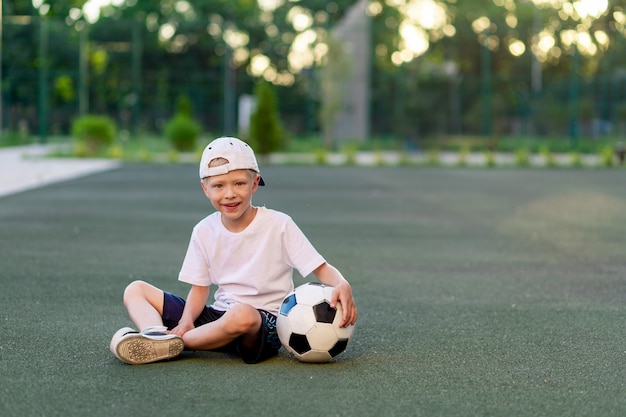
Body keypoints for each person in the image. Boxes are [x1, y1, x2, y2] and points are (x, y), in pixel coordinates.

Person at [110, 136, 358, 365]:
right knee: (136, 289)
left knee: (242, 315)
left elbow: (320, 268)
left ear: (255, 183)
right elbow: (200, 289)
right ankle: (155, 334)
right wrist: (185, 322)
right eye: (218, 186)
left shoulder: (279, 224)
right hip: (217, 318)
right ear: (205, 189)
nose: (229, 194)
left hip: (262, 324)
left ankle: (175, 344)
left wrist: (342, 284)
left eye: (239, 183)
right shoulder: (203, 230)